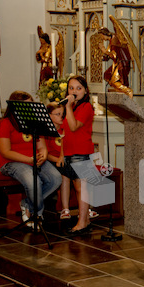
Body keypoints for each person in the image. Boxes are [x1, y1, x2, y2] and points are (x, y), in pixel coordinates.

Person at [0, 91, 62, 228]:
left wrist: (43, 155)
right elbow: (5, 152)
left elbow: (42, 147)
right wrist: (28, 159)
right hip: (11, 162)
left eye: (31, 105)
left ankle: (28, 205)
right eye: (26, 106)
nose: (30, 109)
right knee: (34, 181)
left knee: (56, 178)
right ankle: (36, 214)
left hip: (33, 159)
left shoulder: (35, 122)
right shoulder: (5, 123)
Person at [60, 76, 98, 234]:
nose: (74, 91)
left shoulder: (86, 107)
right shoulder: (72, 107)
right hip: (69, 151)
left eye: (78, 88)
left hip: (81, 152)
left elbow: (74, 126)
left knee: (82, 188)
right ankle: (85, 219)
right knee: (77, 188)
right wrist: (62, 154)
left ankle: (82, 221)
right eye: (71, 88)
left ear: (85, 90)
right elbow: (64, 132)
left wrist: (68, 107)